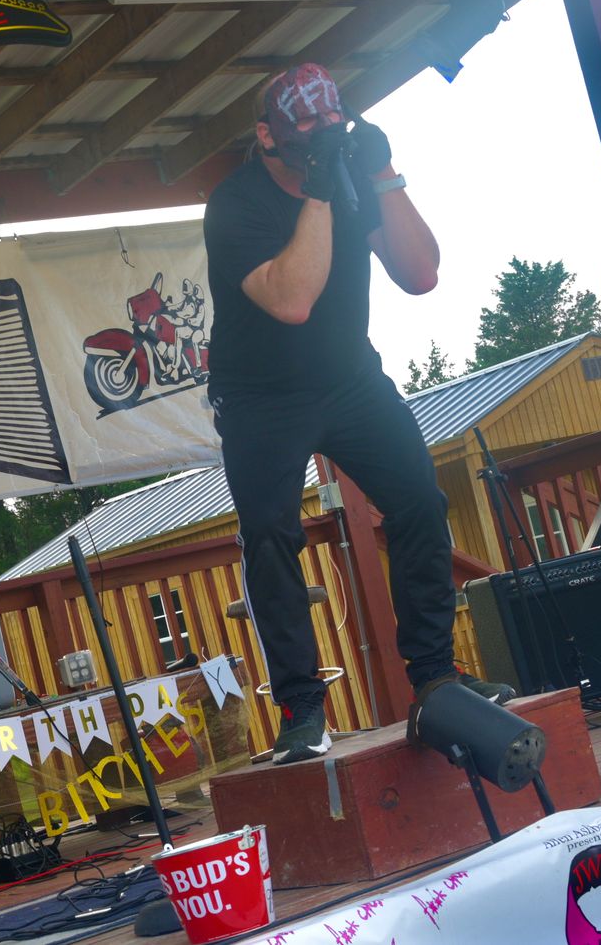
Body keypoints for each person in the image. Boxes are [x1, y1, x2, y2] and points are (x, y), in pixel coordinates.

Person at [203, 62, 513, 766]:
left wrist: (384, 174)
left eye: (332, 115)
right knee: (271, 534)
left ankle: (436, 677)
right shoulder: (235, 203)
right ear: (268, 135)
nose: (324, 131)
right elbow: (292, 301)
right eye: (306, 122)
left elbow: (420, 274)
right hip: (259, 395)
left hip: (349, 378)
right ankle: (301, 708)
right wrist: (320, 191)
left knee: (419, 501)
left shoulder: (350, 176)